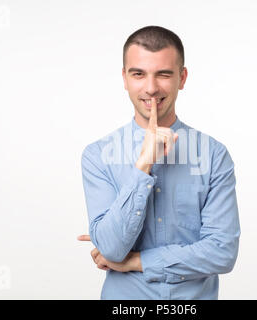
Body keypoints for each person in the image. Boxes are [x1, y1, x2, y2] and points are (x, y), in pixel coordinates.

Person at [78, 26, 240, 300]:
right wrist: (143, 164)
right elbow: (112, 248)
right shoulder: (98, 156)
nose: (151, 88)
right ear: (125, 78)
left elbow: (222, 252)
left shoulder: (213, 155)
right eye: (138, 74)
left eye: (163, 74)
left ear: (182, 77)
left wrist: (137, 261)